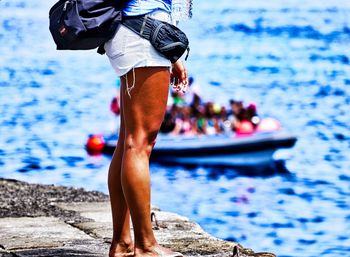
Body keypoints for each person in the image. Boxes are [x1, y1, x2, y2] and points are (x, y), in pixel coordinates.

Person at [104, 1, 188, 256]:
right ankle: (146, 245)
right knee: (139, 143)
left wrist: (171, 54)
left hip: (134, 33)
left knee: (128, 141)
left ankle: (123, 242)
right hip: (143, 33)